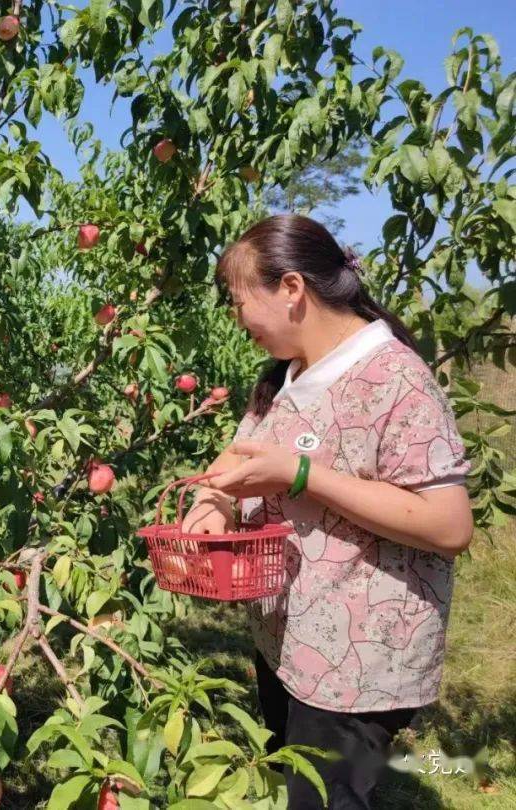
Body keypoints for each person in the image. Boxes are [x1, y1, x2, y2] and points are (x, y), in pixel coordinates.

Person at [183, 214, 473, 809]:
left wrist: (303, 476)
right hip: (287, 641)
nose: (237, 321)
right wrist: (210, 503)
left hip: (357, 661)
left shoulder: (395, 378)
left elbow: (449, 524)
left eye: (240, 303)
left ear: (292, 289)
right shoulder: (289, 377)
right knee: (294, 786)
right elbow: (236, 457)